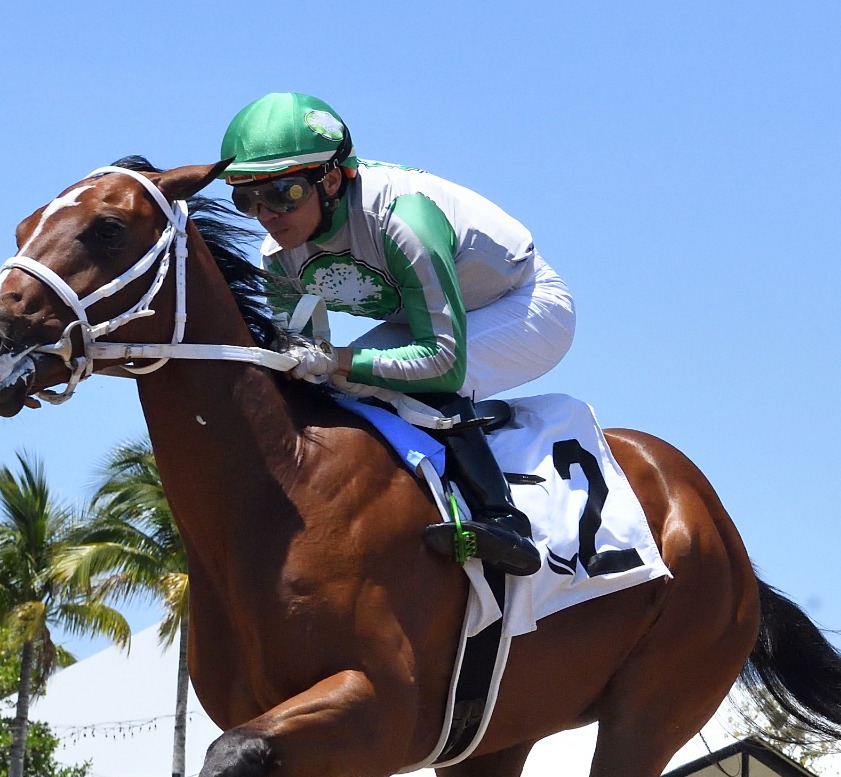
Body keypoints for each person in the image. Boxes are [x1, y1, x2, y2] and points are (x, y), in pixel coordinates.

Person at [220, 92, 578, 576]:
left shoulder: (403, 223)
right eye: (247, 199)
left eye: (284, 194)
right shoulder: (277, 256)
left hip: (525, 306)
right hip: (426, 318)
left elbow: (441, 362)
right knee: (333, 389)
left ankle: (504, 521)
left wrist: (337, 358)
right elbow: (299, 362)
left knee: (392, 380)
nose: (266, 214)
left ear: (329, 180)